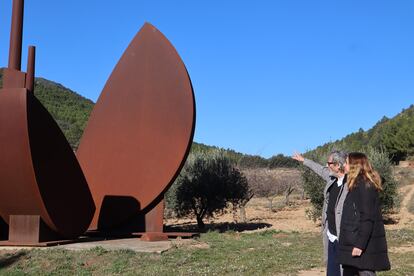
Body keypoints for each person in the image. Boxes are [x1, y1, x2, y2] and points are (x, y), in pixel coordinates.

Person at [292, 150, 348, 276]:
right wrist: (304, 161)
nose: (327, 166)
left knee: (344, 271)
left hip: (343, 237)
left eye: (329, 163)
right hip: (330, 235)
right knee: (332, 271)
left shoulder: (350, 184)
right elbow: (320, 169)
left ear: (338, 165)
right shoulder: (332, 179)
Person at [337, 152, 390, 275]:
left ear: (354, 165)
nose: (343, 166)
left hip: (361, 247)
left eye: (346, 163)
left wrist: (360, 245)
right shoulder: (355, 184)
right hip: (352, 243)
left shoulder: (365, 186)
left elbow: (367, 219)